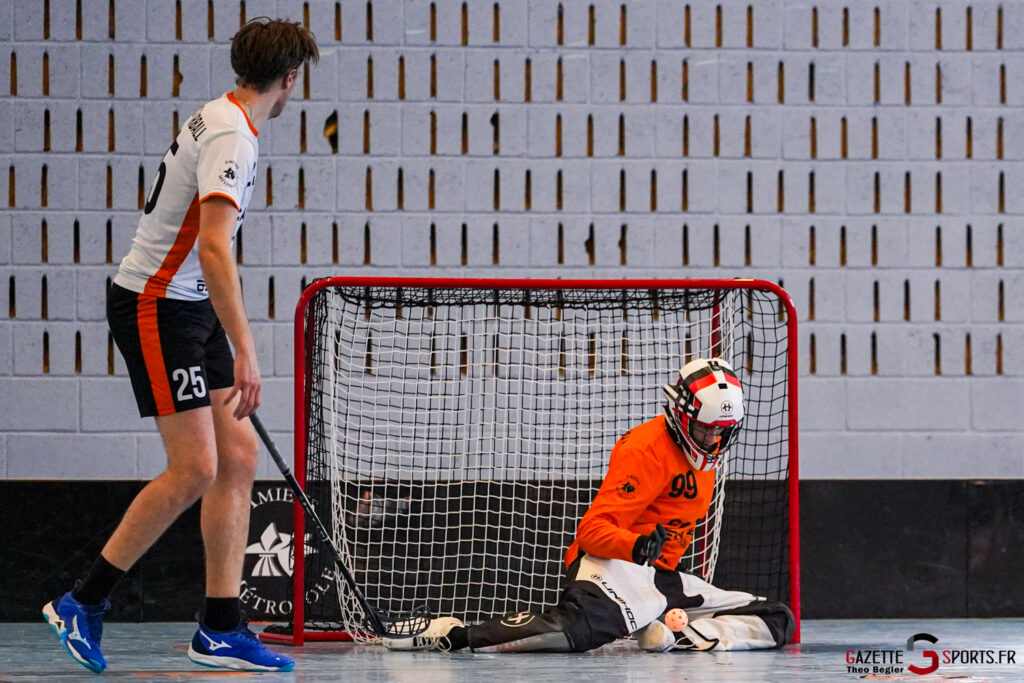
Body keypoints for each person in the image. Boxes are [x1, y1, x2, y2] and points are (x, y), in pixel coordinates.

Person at [42, 18, 318, 674]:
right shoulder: (232, 136)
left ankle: (220, 628)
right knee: (195, 467)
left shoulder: (222, 114)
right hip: (155, 304)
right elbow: (215, 247)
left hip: (190, 304)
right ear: (290, 79)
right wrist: (247, 349)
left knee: (238, 456)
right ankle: (82, 601)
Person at [384, 358, 794, 654]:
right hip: (613, 565)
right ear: (682, 414)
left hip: (659, 579)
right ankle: (452, 634)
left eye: (723, 432)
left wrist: (655, 567)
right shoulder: (645, 449)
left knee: (776, 618)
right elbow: (591, 533)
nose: (713, 441)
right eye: (705, 430)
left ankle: (673, 636)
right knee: (574, 632)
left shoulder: (706, 457)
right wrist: (637, 546)